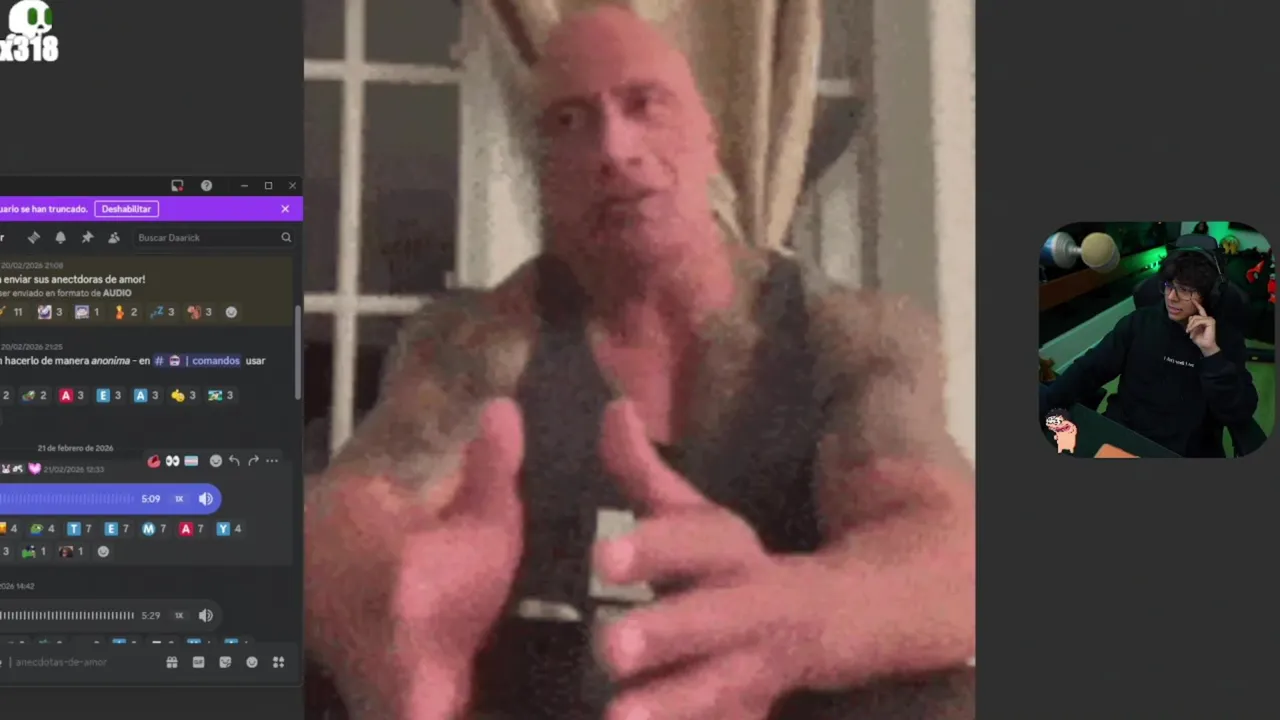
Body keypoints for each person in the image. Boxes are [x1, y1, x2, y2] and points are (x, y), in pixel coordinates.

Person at [303, 7, 975, 720]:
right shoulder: (474, 342)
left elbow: (948, 546)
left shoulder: (850, 335)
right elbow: (356, 513)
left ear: (710, 135)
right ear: (543, 171)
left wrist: (793, 618)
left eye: (644, 104)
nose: (613, 149)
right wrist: (393, 628)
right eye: (569, 122)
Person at [1043, 249, 1258, 457]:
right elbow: (1089, 369)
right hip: (1123, 434)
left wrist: (1211, 354)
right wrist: (1045, 404)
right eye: (1169, 286)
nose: (1171, 297)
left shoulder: (1226, 339)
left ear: (1209, 295)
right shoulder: (1139, 322)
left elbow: (1240, 412)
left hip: (1182, 450)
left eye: (1185, 290)